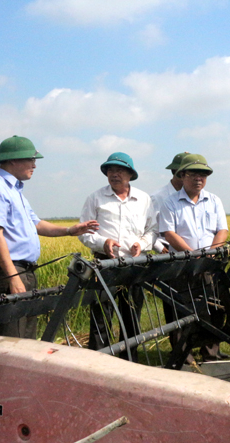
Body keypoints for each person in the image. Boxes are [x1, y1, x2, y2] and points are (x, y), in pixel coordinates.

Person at [0, 135, 99, 339]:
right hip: (10, 271)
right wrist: (13, 278)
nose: (34, 165)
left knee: (26, 336)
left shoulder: (15, 190)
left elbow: (37, 224)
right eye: (30, 159)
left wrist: (70, 230)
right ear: (13, 160)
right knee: (11, 339)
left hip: (25, 270)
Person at [79, 152, 157, 360]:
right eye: (111, 170)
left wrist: (141, 244)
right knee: (101, 314)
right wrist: (103, 243)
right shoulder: (95, 198)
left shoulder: (144, 199)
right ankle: (98, 360)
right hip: (105, 264)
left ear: (130, 174)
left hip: (135, 264)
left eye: (120, 170)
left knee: (131, 314)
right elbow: (85, 232)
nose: (115, 174)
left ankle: (129, 359)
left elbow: (152, 230)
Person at [160, 153, 229, 361]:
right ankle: (184, 355)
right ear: (182, 175)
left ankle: (210, 352)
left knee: (213, 307)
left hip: (209, 265)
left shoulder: (214, 200)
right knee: (181, 311)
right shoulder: (170, 202)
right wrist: (192, 255)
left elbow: (222, 230)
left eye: (203, 174)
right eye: (194, 174)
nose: (199, 178)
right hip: (181, 266)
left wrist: (211, 254)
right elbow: (169, 233)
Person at [150, 151, 188, 253]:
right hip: (167, 250)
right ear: (175, 171)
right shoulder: (157, 197)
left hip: (192, 250)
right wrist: (160, 248)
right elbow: (149, 227)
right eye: (183, 173)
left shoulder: (195, 197)